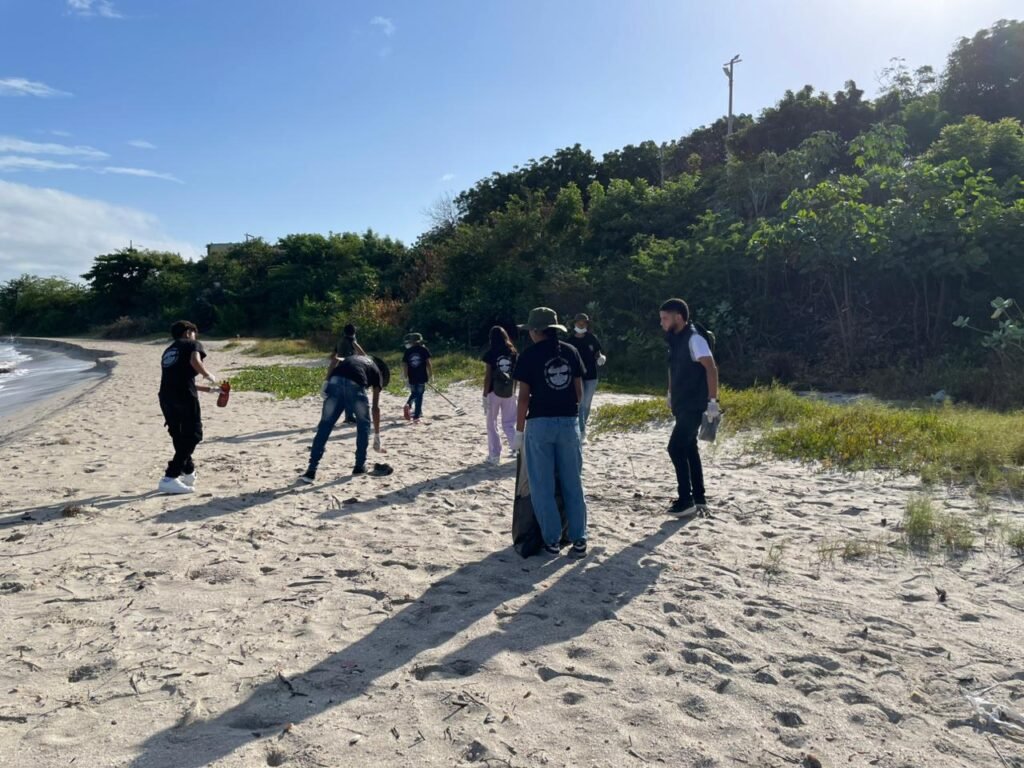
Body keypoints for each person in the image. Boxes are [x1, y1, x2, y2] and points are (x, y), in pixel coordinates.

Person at [512, 307, 589, 557]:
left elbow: (523, 399)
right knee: (572, 484)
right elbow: (579, 393)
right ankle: (579, 539)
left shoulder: (528, 356)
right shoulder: (571, 351)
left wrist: (519, 432)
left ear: (536, 331)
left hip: (539, 424)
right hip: (568, 423)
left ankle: (552, 540)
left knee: (542, 486)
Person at [659, 298, 720, 516]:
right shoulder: (674, 338)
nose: (662, 323)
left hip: (695, 404)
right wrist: (670, 392)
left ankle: (686, 500)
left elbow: (711, 368)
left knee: (675, 448)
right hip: (681, 402)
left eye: (665, 318)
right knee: (689, 448)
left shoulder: (694, 338)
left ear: (678, 317)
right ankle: (699, 497)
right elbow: (672, 367)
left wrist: (713, 402)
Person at [301, 354, 390, 482]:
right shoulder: (377, 372)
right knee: (363, 425)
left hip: (335, 381)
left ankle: (311, 471)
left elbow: (335, 360)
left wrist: (326, 381)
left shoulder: (356, 358)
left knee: (324, 426)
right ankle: (359, 466)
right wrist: (376, 434)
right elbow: (375, 408)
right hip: (355, 386)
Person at [157, 321, 222, 494]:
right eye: (195, 333)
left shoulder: (169, 350)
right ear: (188, 332)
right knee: (194, 435)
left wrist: (209, 389)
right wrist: (207, 375)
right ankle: (170, 477)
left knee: (178, 435)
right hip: (184, 397)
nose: (196, 337)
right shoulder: (192, 344)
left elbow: (183, 379)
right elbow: (195, 360)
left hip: (166, 396)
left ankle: (188, 470)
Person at [565, 312, 606, 442]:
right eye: (579, 322)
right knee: (581, 403)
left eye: (584, 322)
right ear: (575, 324)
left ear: (587, 324)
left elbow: (597, 353)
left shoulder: (592, 338)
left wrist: (600, 358)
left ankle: (582, 425)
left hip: (591, 375)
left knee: (587, 404)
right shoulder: (570, 341)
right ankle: (581, 431)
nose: (581, 324)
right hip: (576, 376)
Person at [481, 325, 518, 464]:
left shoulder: (491, 353)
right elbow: (516, 374)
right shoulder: (513, 352)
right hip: (509, 391)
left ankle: (495, 455)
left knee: (492, 424)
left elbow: (488, 376)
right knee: (509, 423)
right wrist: (513, 391)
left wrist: (485, 395)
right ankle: (517, 449)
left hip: (493, 391)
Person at [335, 323, 366, 424]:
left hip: (341, 367)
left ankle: (349, 416)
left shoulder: (340, 341)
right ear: (353, 332)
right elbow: (362, 353)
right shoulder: (352, 341)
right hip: (351, 368)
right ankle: (351, 416)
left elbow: (335, 355)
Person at [401, 332, 432, 421]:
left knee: (414, 393)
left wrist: (406, 377)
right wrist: (431, 375)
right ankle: (416, 415)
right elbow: (428, 363)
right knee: (420, 395)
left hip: (412, 376)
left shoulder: (408, 351)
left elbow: (405, 365)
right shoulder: (424, 350)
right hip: (422, 376)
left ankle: (409, 405)